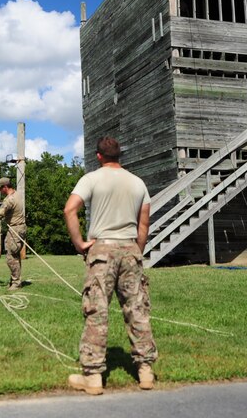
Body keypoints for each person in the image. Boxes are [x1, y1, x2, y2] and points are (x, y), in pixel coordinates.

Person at [63, 136, 158, 395]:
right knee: (137, 308)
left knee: (97, 310)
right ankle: (145, 371)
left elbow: (70, 209)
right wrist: (137, 250)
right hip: (130, 248)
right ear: (120, 155)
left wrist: (79, 243)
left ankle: (93, 377)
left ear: (98, 156)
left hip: (101, 249)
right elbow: (144, 224)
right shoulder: (138, 183)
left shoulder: (91, 179)